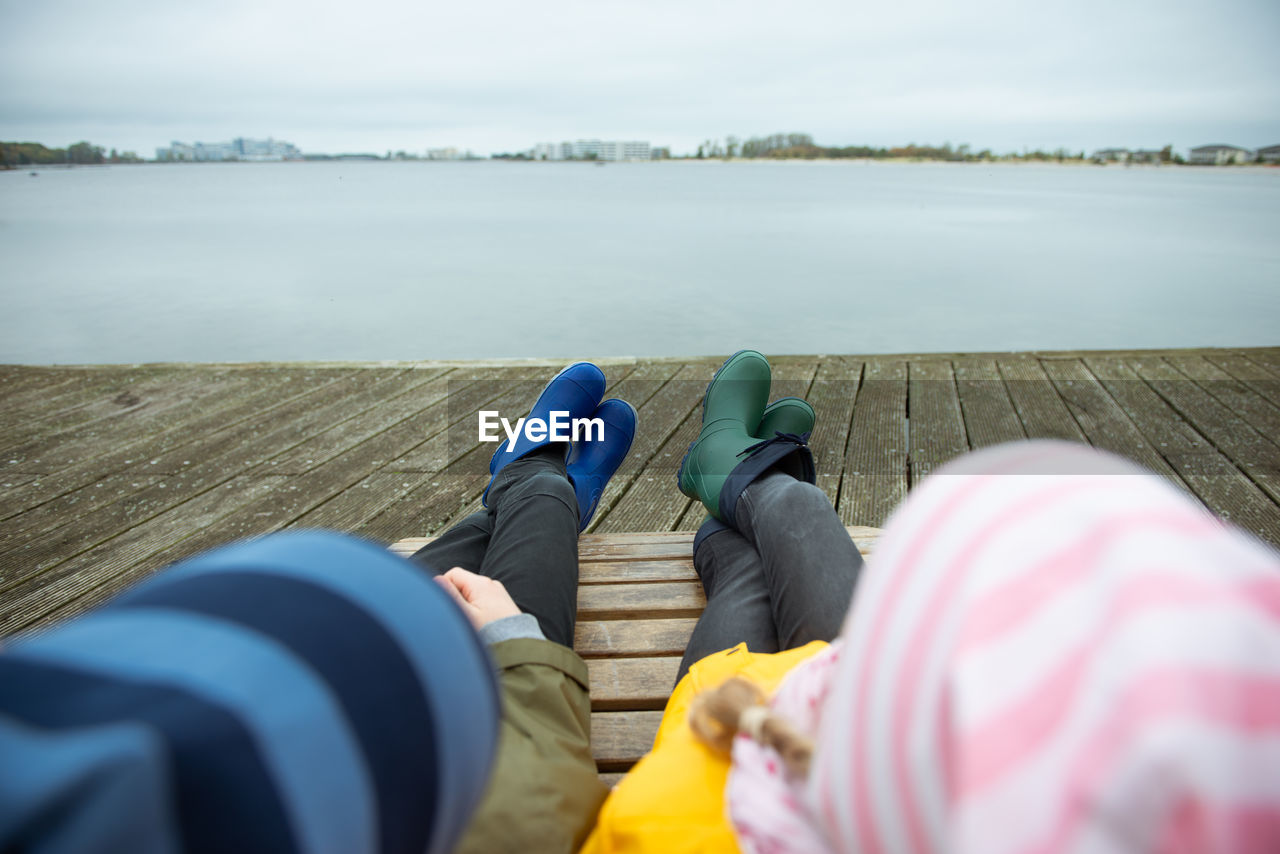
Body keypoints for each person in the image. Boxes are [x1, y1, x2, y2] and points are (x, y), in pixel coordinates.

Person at [582, 351, 1280, 853]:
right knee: (777, 528)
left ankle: (735, 473)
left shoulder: (664, 826)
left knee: (769, 543)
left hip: (738, 733)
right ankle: (739, 474)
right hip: (849, 740)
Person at [0, 531, 500, 854]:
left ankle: (522, 481)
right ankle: (535, 482)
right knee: (524, 525)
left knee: (464, 545)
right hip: (452, 682)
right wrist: (517, 639)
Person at [409, 361, 638, 854]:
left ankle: (535, 475)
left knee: (521, 507)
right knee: (539, 495)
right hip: (502, 753)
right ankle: (537, 476)